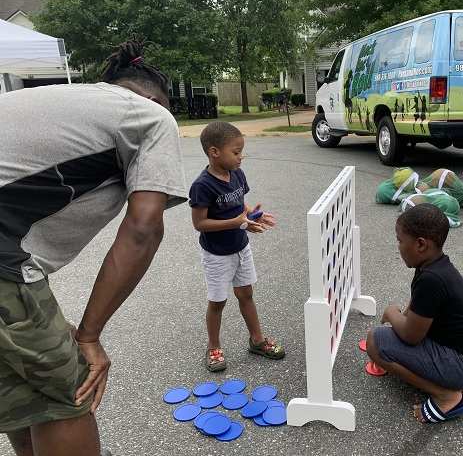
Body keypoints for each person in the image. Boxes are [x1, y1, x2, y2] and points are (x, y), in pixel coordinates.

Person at [0, 41, 187, 456]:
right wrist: (89, 336)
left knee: (24, 396)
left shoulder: (58, 101)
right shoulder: (150, 115)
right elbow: (143, 229)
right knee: (68, 394)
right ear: (153, 98)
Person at [366, 203, 463, 424]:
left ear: (420, 244)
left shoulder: (431, 279)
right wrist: (402, 318)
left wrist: (391, 313)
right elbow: (417, 305)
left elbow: (411, 336)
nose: (398, 246)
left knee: (376, 341)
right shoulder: (436, 266)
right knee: (394, 332)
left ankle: (447, 396)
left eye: (400, 240)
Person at [189, 121, 285, 372]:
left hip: (241, 247)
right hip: (217, 255)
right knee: (218, 302)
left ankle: (257, 340)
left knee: (246, 294)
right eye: (236, 152)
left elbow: (240, 206)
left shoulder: (237, 174)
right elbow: (200, 223)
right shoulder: (203, 185)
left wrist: (251, 213)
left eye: (241, 151)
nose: (241, 157)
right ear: (214, 152)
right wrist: (238, 222)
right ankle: (213, 347)